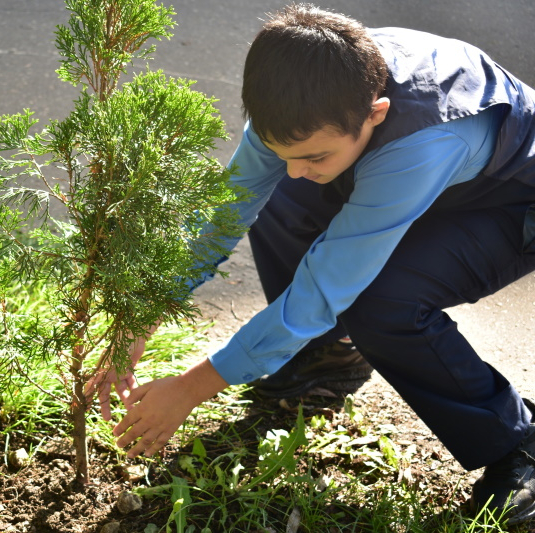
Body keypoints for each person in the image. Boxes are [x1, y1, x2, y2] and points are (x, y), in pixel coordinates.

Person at [85, 3, 535, 524]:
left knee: (381, 300)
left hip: (510, 204)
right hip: (420, 181)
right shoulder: (301, 96)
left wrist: (190, 388)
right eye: (284, 151)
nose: (298, 170)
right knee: (281, 198)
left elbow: (326, 288)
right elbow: (224, 213)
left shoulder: (422, 140)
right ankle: (329, 356)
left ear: (376, 112)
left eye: (315, 157)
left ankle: (516, 445)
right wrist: (142, 315)